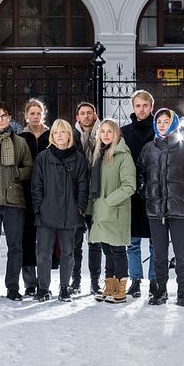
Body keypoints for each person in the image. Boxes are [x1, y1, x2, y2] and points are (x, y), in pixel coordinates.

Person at [138, 108, 184, 307]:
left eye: (166, 121)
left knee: (182, 251)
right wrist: (144, 189)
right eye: (159, 122)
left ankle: (182, 289)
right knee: (159, 252)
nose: (162, 125)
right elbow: (140, 171)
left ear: (173, 123)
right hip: (156, 209)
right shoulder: (148, 148)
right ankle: (161, 289)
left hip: (179, 208)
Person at [0, 102, 33, 301]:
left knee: (15, 246)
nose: (0, 119)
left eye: (4, 115)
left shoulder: (20, 142)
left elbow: (30, 167)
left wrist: (17, 172)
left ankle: (12, 287)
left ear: (10, 118)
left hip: (14, 200)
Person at [31, 119, 88, 302]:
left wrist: (80, 207)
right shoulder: (43, 158)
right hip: (46, 212)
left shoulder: (78, 158)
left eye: (63, 132)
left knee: (68, 252)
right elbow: (36, 185)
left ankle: (65, 287)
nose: (60, 135)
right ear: (52, 135)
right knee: (43, 253)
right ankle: (43, 288)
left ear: (69, 135)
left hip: (69, 212)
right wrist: (38, 206)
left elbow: (83, 185)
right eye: (56, 132)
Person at [87, 119, 136, 304]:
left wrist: (108, 202)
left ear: (117, 134)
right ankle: (110, 285)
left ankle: (121, 289)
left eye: (110, 131)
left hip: (115, 211)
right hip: (100, 211)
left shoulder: (124, 156)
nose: (106, 135)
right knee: (106, 248)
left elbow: (130, 186)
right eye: (103, 131)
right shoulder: (99, 155)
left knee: (117, 250)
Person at [121, 90, 157, 299]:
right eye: (138, 106)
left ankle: (154, 281)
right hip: (132, 193)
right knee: (132, 242)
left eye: (145, 105)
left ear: (151, 107)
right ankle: (135, 280)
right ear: (133, 107)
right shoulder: (125, 132)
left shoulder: (160, 130)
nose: (141, 109)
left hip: (154, 193)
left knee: (155, 242)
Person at [18, 98, 50, 297]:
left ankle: (45, 280)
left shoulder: (51, 135)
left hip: (48, 192)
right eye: (32, 113)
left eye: (39, 113)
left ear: (43, 115)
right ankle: (30, 282)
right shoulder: (21, 137)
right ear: (26, 115)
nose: (35, 117)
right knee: (26, 237)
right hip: (25, 192)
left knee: (45, 238)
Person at [71, 101, 103, 295]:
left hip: (97, 193)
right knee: (75, 243)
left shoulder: (103, 133)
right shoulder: (71, 135)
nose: (86, 116)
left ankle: (94, 282)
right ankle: (75, 281)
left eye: (89, 113)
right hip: (77, 193)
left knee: (95, 241)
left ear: (95, 115)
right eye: (82, 113)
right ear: (77, 117)